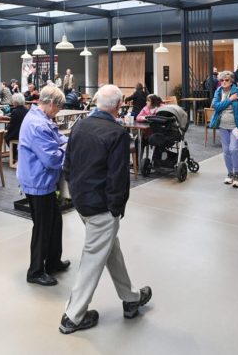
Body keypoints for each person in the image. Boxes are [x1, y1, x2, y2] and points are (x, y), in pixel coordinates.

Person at [60, 84, 152, 334]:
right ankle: (73, 316)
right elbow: (117, 177)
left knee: (111, 249)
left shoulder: (80, 125)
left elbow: (67, 163)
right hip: (101, 206)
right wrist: (116, 207)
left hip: (81, 200)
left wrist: (75, 190)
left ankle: (131, 298)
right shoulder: (117, 133)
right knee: (93, 258)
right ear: (119, 105)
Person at [18, 85, 71, 286]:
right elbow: (52, 159)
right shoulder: (37, 125)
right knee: (42, 227)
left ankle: (53, 261)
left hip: (45, 182)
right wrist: (68, 149)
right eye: (57, 108)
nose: (58, 112)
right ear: (50, 103)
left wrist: (67, 143)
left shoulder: (44, 120)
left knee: (55, 222)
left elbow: (59, 139)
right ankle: (35, 271)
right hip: (37, 182)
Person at [211, 71, 238, 188]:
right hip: (223, 126)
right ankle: (230, 173)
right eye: (222, 80)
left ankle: (237, 174)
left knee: (234, 149)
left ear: (231, 81)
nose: (223, 82)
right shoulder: (218, 91)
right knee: (226, 151)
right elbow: (216, 106)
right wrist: (230, 100)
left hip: (235, 127)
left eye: (226, 80)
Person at [6, 93, 28, 164]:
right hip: (25, 133)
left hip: (18, 134)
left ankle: (14, 155)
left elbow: (11, 125)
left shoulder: (15, 111)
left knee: (7, 137)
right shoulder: (26, 110)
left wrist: (7, 128)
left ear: (15, 102)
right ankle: (16, 154)